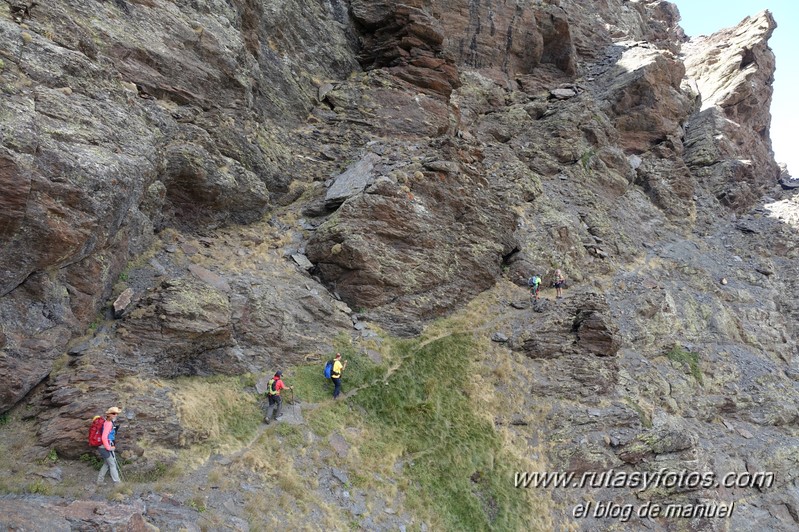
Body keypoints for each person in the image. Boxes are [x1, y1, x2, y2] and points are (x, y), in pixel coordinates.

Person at [97, 406, 122, 485]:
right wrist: (109, 448)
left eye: (116, 413)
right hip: (104, 447)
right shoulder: (108, 423)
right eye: (114, 413)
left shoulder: (109, 422)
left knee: (107, 464)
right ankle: (117, 483)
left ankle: (99, 481)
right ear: (109, 414)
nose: (116, 415)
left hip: (103, 446)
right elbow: (104, 437)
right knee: (112, 464)